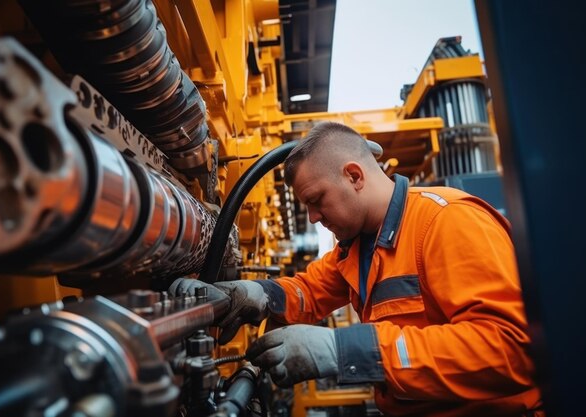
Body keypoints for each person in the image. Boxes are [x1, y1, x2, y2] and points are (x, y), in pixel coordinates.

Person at [170, 122, 543, 416]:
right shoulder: (360, 246)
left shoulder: (446, 221)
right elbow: (310, 290)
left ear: (354, 175)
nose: (314, 218)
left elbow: (511, 348)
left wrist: (344, 351)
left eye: (317, 201)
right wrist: (257, 296)